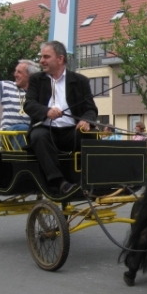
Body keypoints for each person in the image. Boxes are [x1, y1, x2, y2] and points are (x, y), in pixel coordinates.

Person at [24, 40, 98, 196]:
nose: (41, 61)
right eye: (41, 57)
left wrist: (85, 120)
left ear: (60, 59)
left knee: (91, 136)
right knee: (38, 136)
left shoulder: (80, 81)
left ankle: (91, 181)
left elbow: (90, 109)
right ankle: (59, 182)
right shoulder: (36, 80)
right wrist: (46, 111)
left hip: (71, 131)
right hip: (46, 130)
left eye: (46, 57)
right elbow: (29, 105)